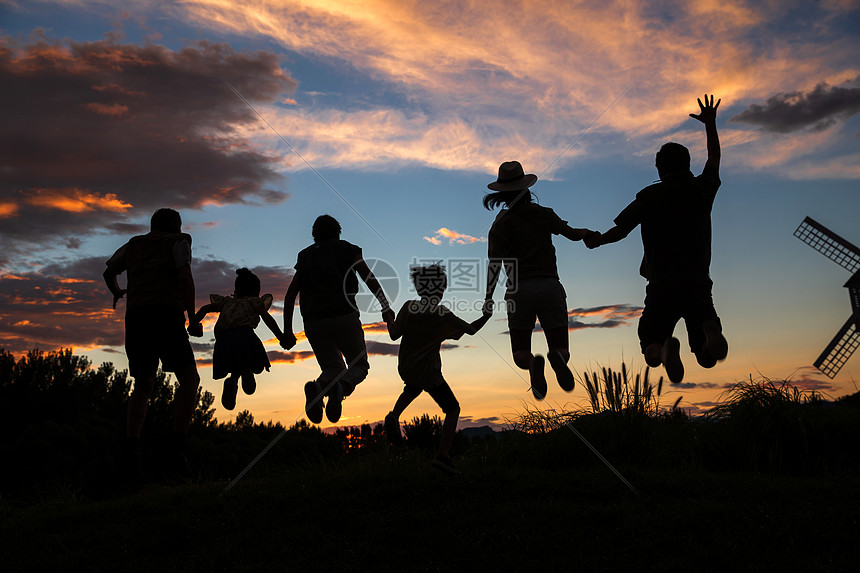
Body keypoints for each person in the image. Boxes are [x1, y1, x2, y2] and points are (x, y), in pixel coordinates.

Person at [585, 94, 729, 383]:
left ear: (659, 169)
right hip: (698, 284)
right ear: (687, 165)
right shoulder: (702, 188)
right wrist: (710, 124)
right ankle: (708, 330)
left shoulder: (648, 197)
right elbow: (714, 158)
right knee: (706, 357)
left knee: (650, 344)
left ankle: (664, 350)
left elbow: (620, 230)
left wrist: (597, 240)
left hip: (662, 287)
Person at [483, 161, 597, 400]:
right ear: (527, 188)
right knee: (561, 349)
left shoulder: (500, 225)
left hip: (518, 290)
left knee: (520, 353)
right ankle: (557, 358)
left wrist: (488, 298)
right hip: (548, 286)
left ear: (502, 194)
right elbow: (573, 234)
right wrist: (587, 233)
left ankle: (534, 363)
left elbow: (494, 264)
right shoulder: (544, 214)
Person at [103, 207, 201, 476]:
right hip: (166, 314)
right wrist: (191, 317)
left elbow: (108, 271)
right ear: (177, 226)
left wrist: (117, 292)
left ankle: (132, 446)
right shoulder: (178, 241)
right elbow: (185, 277)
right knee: (189, 380)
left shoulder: (135, 244)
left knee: (143, 383)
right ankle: (177, 446)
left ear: (152, 225)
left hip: (136, 317)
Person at [283, 215, 395, 424]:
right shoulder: (348, 249)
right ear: (338, 232)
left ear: (315, 235)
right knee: (359, 366)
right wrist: (385, 306)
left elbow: (290, 295)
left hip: (314, 322)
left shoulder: (305, 256)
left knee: (333, 368)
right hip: (344, 315)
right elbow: (368, 277)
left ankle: (319, 388)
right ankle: (340, 388)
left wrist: (287, 331)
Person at [384, 264, 491, 474]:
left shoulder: (408, 308)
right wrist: (486, 315)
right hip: (429, 371)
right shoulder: (442, 314)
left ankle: (394, 415)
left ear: (419, 288)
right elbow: (470, 330)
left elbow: (394, 334)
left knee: (413, 387)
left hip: (406, 368)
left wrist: (389, 318)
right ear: (441, 288)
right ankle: (443, 455)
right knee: (452, 408)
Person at [188, 268, 290, 411]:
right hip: (245, 336)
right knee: (258, 366)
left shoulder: (226, 303)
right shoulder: (254, 302)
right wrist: (281, 336)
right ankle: (246, 372)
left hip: (224, 342)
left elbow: (204, 308)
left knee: (235, 366)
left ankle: (233, 380)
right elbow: (267, 318)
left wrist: (193, 323)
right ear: (256, 290)